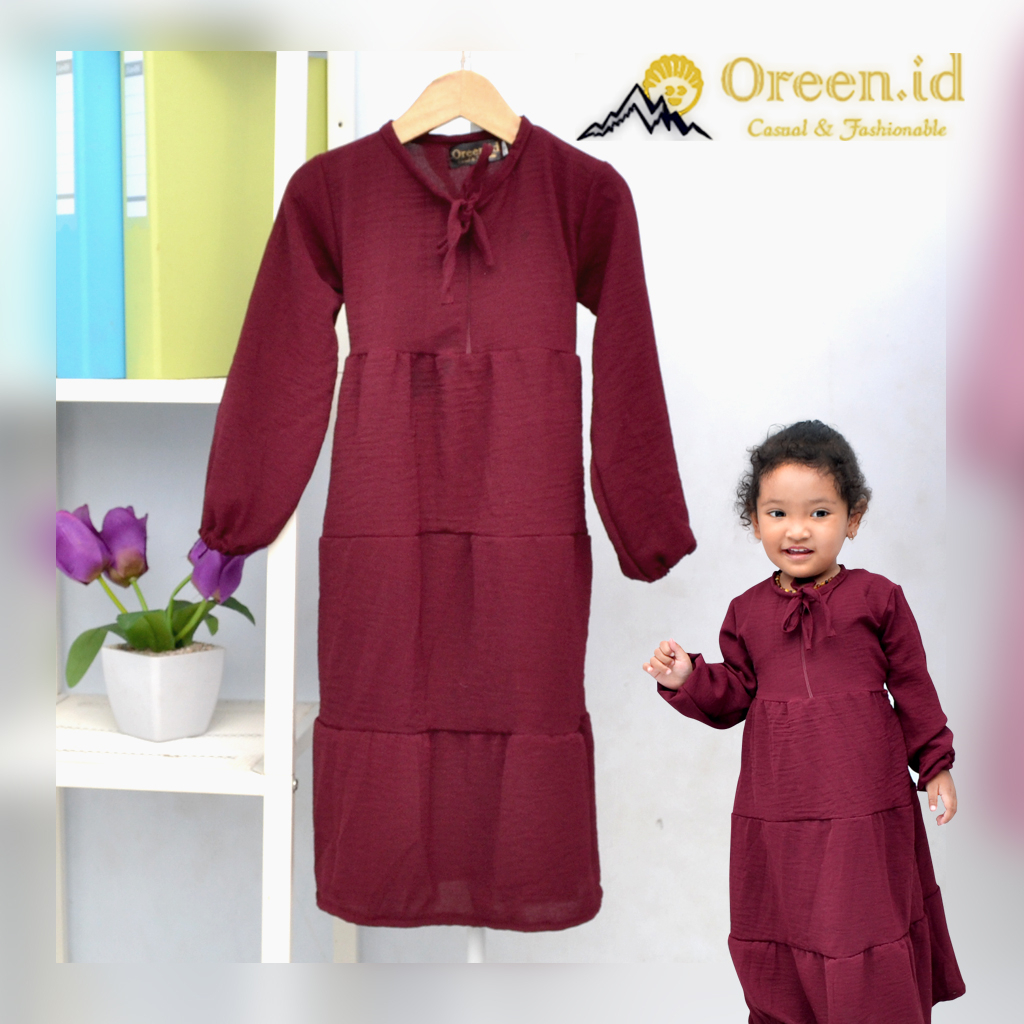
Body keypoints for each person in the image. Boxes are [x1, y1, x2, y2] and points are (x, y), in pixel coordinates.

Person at [643, 420, 965, 1024]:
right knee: (787, 921)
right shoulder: (746, 612)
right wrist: (688, 677)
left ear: (853, 518)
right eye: (777, 513)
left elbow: (913, 687)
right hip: (779, 810)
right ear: (754, 520)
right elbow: (734, 696)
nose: (797, 530)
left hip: (864, 804)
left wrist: (935, 764)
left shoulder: (878, 598)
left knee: (862, 921)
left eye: (819, 512)